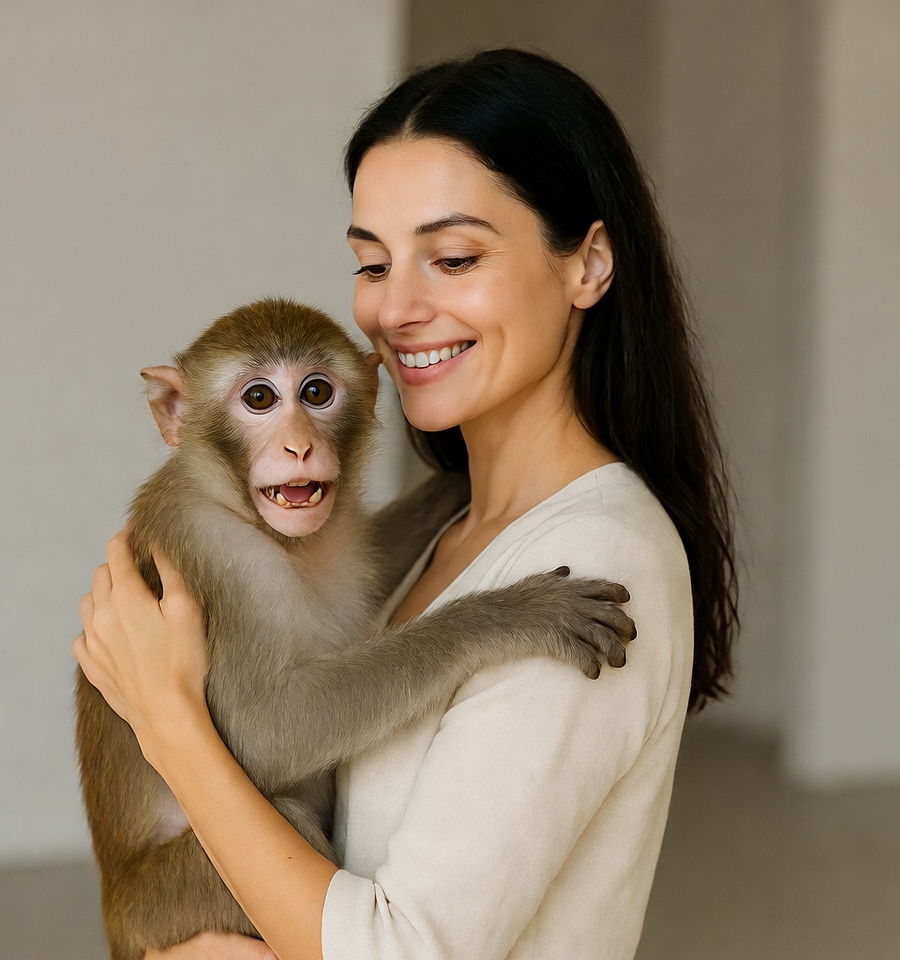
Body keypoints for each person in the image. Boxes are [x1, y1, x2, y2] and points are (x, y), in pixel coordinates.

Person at [75, 48, 738, 960]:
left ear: (588, 264)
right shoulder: (457, 524)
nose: (396, 311)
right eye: (376, 264)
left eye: (454, 257)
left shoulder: (591, 565)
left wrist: (163, 709)